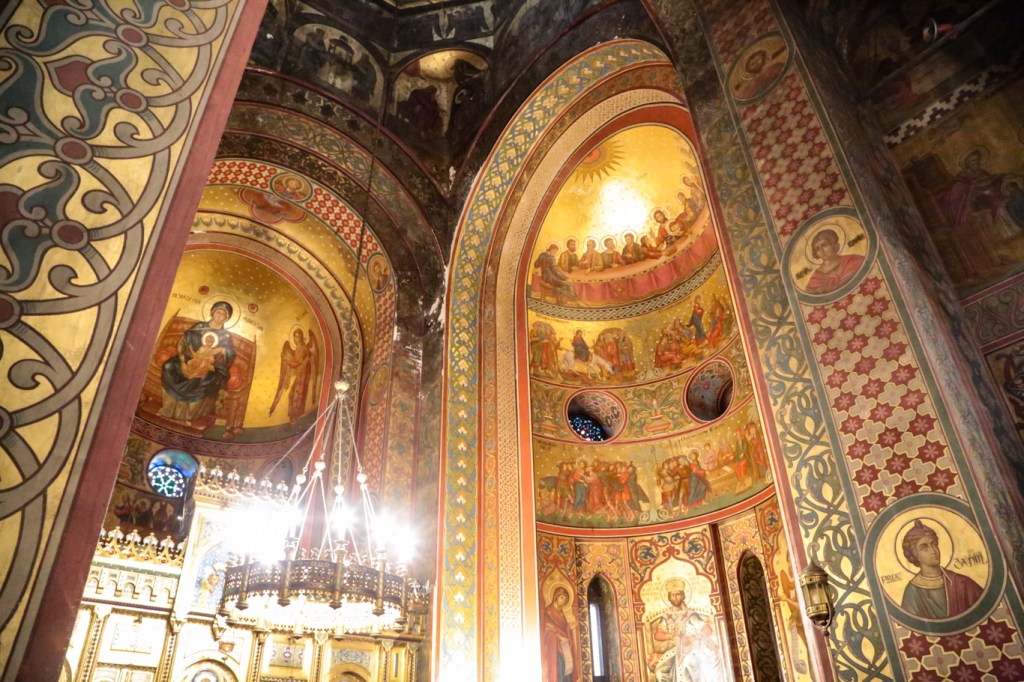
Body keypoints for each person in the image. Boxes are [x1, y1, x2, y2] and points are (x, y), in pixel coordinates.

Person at [159, 301, 237, 425]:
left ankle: (188, 417)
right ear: (212, 312)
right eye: (218, 312)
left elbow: (229, 356)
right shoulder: (200, 327)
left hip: (211, 367)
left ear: (227, 318)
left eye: (223, 314)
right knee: (169, 367)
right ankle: (167, 410)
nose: (220, 316)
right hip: (190, 359)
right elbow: (182, 342)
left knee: (205, 378)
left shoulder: (226, 336)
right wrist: (183, 362)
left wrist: (225, 351)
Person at [900, 520, 983, 619]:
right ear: (915, 555)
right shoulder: (912, 592)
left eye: (934, 544)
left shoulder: (963, 583)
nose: (933, 551)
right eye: (924, 548)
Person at [649, 579, 722, 682]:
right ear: (669, 597)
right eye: (672, 595)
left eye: (678, 594)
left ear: (683, 596)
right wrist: (669, 636)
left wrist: (693, 638)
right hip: (673, 651)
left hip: (689, 649)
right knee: (659, 672)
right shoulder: (666, 617)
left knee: (685, 667)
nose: (675, 597)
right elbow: (658, 635)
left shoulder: (690, 615)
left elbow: (707, 629)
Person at [269, 328, 319, 428]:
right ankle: (293, 419)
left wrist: (287, 359)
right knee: (292, 395)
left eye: (297, 336)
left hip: (303, 377)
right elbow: (295, 363)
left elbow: (297, 363)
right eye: (294, 337)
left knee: (296, 396)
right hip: (300, 376)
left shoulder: (303, 348)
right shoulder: (297, 349)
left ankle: (294, 420)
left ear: (301, 337)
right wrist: (287, 359)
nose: (295, 339)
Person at [805, 228, 865, 295]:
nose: (821, 250)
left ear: (835, 246)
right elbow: (811, 293)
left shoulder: (852, 260)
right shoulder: (816, 277)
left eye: (824, 245)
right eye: (817, 249)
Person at [542, 587, 580, 682]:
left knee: (568, 668)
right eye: (562, 598)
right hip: (555, 646)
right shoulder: (548, 612)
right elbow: (546, 629)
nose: (563, 601)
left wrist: (570, 627)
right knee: (560, 667)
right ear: (556, 597)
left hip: (564, 645)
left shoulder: (561, 614)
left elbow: (564, 628)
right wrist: (559, 637)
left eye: (565, 600)